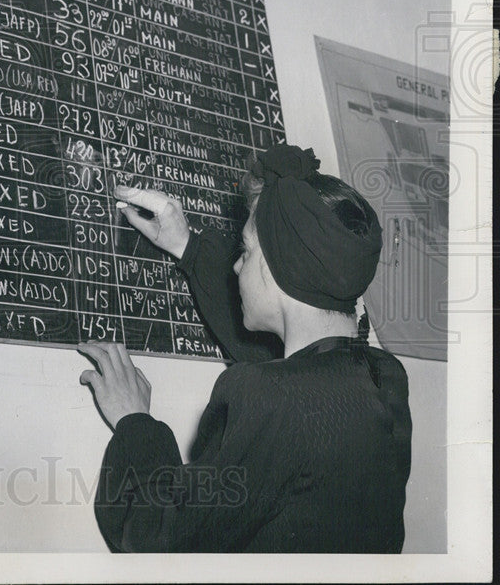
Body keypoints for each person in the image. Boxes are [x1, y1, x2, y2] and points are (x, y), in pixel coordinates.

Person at [77, 144, 412, 553]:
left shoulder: (264, 396)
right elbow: (298, 382)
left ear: (279, 267)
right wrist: (188, 246)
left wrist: (135, 423)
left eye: (246, 251)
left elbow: (157, 537)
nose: (236, 265)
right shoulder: (385, 376)